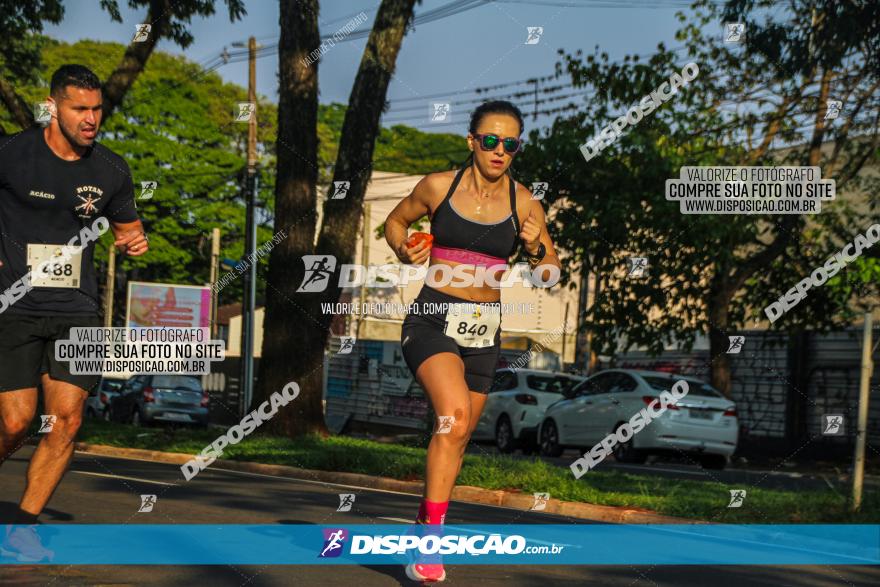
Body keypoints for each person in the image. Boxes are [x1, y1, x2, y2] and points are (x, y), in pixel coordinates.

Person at [384, 100, 561, 582]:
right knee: (454, 417)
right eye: (490, 140)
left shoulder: (524, 203)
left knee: (458, 437)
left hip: (484, 326)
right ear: (472, 142)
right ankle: (430, 543)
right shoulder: (438, 186)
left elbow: (551, 272)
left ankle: (426, 515)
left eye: (510, 144)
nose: (499, 150)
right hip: (432, 319)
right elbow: (394, 223)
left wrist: (536, 247)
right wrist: (405, 247)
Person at [0, 64, 148, 561]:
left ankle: (22, 526)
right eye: (79, 109)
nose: (91, 119)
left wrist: (133, 241)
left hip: (77, 310)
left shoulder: (110, 170)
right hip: (13, 305)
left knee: (65, 420)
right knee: (17, 424)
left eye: (97, 109)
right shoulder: (11, 154)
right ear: (53, 107)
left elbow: (128, 227)